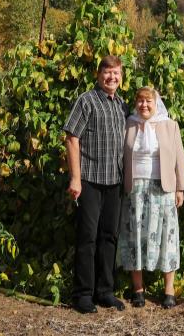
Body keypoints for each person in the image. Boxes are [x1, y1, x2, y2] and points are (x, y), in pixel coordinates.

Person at [63, 55, 128, 314]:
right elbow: (71, 138)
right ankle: (83, 295)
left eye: (116, 73)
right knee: (87, 238)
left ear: (121, 78)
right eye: (107, 72)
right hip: (89, 180)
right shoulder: (86, 101)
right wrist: (75, 178)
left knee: (109, 237)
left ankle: (105, 291)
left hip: (114, 181)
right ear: (98, 74)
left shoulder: (122, 105)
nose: (112, 77)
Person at [118, 87, 184, 309]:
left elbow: (179, 158)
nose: (143, 105)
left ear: (157, 103)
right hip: (134, 190)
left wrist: (180, 188)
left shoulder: (169, 125)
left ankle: (169, 290)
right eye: (140, 101)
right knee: (135, 237)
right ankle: (138, 289)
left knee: (167, 237)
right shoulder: (128, 124)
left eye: (148, 101)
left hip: (163, 190)